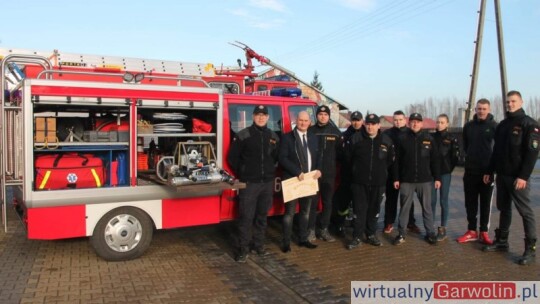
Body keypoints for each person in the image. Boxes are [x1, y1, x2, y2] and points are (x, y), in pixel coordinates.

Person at [483, 90, 539, 265]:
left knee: (525, 212)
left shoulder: (529, 124)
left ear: (521, 102)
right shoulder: (503, 125)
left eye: (513, 101)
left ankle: (530, 249)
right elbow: (496, 151)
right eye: (507, 102)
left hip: (518, 178)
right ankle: (502, 242)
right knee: (503, 209)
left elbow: (532, 153)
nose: (510, 104)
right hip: (502, 176)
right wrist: (489, 171)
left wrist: (523, 176)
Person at [228, 105, 280, 263]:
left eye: (264, 115)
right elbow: (232, 158)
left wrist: (270, 171)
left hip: (267, 184)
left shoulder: (273, 136)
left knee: (262, 216)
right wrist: (244, 172)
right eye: (258, 115)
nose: (261, 117)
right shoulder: (243, 135)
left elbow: (276, 158)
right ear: (253, 116)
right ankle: (243, 249)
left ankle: (259, 245)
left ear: (268, 118)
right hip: (249, 183)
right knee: (246, 217)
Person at [346, 114, 396, 249]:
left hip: (378, 183)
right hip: (359, 182)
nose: (370, 126)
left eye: (373, 124)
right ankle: (356, 236)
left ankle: (371, 235)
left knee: (374, 210)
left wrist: (381, 172)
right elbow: (348, 159)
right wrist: (356, 172)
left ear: (379, 125)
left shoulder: (386, 141)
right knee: (359, 210)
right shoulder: (356, 138)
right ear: (365, 124)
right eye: (368, 123)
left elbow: (390, 160)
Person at [393, 113, 440, 246]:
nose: (415, 124)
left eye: (417, 122)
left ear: (422, 123)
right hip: (406, 180)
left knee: (427, 208)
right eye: (412, 121)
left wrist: (437, 178)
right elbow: (397, 161)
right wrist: (396, 178)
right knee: (404, 208)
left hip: (424, 181)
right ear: (409, 123)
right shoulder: (402, 138)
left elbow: (435, 160)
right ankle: (401, 233)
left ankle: (430, 233)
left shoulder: (428, 138)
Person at [279, 111, 322, 253]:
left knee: (305, 212)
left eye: (306, 120)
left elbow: (318, 156)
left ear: (310, 122)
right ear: (296, 121)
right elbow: (282, 159)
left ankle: (303, 239)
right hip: (293, 180)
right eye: (300, 120)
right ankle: (286, 242)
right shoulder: (287, 138)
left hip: (309, 181)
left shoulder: (313, 137)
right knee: (289, 213)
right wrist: (297, 171)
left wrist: (319, 170)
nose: (303, 123)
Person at [457, 99, 497, 245]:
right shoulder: (468, 126)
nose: (481, 111)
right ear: (475, 109)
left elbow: (497, 150)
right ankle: (471, 230)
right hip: (470, 172)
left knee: (485, 204)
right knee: (470, 203)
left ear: (489, 109)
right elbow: (466, 146)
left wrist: (491, 170)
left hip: (487, 173)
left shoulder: (494, 126)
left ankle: (484, 232)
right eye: (479, 108)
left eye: (484, 109)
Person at [308, 105, 343, 242]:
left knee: (328, 203)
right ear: (316, 116)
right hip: (313, 175)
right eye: (320, 114)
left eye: (325, 114)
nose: (323, 116)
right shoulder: (310, 131)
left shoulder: (335, 133)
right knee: (312, 203)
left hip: (329, 174)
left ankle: (323, 229)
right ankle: (310, 230)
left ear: (329, 116)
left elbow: (341, 154)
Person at [382, 110, 418, 234]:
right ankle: (389, 222)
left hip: (406, 172)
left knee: (408, 200)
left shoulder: (411, 133)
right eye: (395, 120)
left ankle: (410, 222)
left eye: (400, 120)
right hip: (391, 171)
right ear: (393, 120)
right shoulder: (387, 134)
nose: (398, 122)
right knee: (391, 199)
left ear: (405, 120)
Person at [332, 110, 363, 236]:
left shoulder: (367, 135)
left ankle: (358, 227)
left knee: (359, 204)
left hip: (361, 177)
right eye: (353, 120)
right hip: (347, 175)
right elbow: (338, 154)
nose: (356, 123)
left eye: (358, 120)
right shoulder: (344, 136)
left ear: (362, 121)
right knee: (343, 203)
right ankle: (340, 225)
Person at [431, 114, 460, 241]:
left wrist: (448, 169)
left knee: (443, 200)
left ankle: (443, 227)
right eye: (437, 122)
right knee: (431, 201)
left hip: (444, 174)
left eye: (442, 122)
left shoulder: (451, 139)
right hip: (431, 174)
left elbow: (455, 158)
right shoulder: (431, 137)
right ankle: (430, 226)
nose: (439, 124)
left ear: (447, 124)